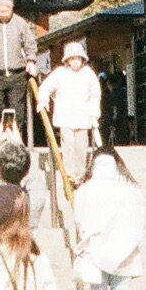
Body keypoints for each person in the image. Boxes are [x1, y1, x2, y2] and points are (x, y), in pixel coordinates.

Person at [73, 146, 146, 290]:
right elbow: (139, 221)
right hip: (125, 254)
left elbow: (80, 221)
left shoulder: (85, 190)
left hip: (97, 253)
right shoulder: (132, 190)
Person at [42, 43, 105, 185]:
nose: (76, 62)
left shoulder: (89, 74)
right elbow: (46, 86)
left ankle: (80, 176)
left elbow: (95, 95)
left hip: (83, 118)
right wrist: (43, 99)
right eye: (72, 59)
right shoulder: (60, 73)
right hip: (65, 117)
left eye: (78, 58)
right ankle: (69, 175)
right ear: (67, 60)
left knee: (81, 147)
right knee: (68, 146)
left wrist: (95, 112)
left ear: (83, 59)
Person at [0, 0, 41, 132]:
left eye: (6, 11)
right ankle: (1, 130)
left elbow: (30, 45)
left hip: (17, 74)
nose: (3, 14)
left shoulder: (21, 24)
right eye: (0, 11)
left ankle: (15, 133)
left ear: (11, 9)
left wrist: (30, 60)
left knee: (17, 108)